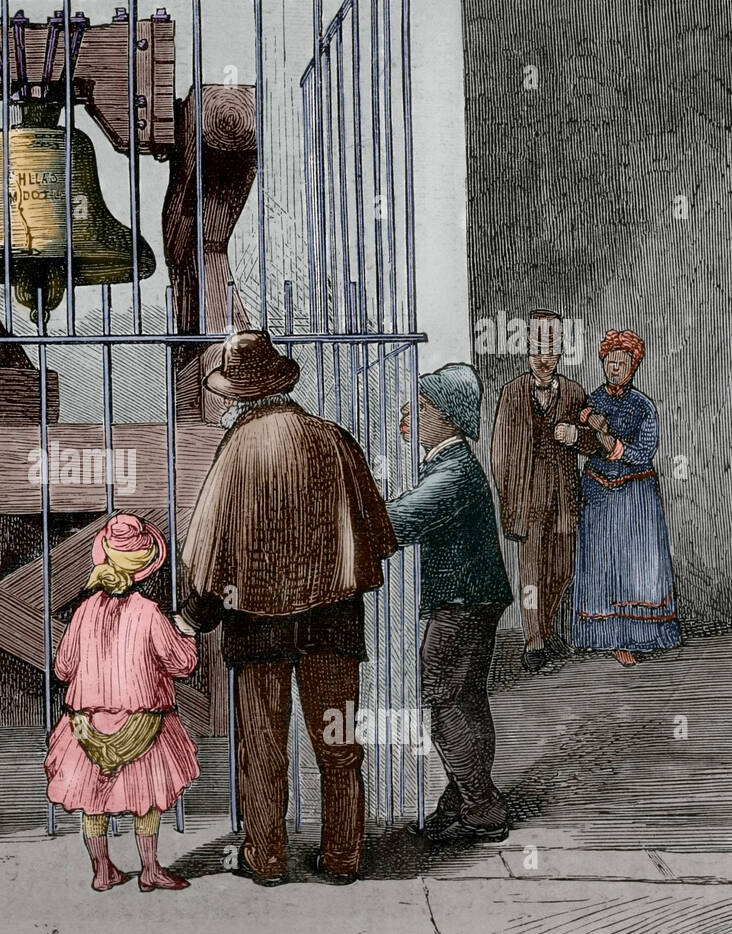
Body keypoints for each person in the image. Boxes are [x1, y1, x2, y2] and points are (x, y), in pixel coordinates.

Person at [177, 330, 397, 886]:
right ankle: (344, 857)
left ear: (236, 396)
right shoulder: (334, 439)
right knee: (339, 743)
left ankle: (267, 858)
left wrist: (193, 617)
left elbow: (211, 553)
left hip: (257, 628)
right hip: (333, 622)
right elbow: (376, 535)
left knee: (263, 746)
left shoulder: (236, 452)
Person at [387, 363, 513, 841]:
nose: (406, 413)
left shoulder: (454, 470)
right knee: (466, 698)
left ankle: (481, 805)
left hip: (462, 603)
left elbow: (400, 521)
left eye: (420, 407)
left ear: (449, 418)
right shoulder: (448, 465)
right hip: (474, 599)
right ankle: (464, 799)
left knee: (441, 698)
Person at [46, 513, 200, 892]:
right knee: (146, 797)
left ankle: (102, 871)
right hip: (143, 722)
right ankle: (150, 869)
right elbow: (181, 663)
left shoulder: (82, 612)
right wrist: (187, 632)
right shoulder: (148, 612)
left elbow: (63, 669)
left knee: (92, 801)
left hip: (85, 724)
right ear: (143, 567)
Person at [554, 330, 680, 666]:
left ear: (633, 367)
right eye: (610, 363)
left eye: (621, 364)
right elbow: (586, 440)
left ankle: (637, 636)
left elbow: (643, 453)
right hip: (598, 490)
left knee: (635, 564)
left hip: (634, 494)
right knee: (600, 563)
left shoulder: (643, 406)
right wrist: (579, 432)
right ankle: (604, 636)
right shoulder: (593, 399)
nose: (614, 369)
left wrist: (611, 442)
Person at [491, 310, 587, 672]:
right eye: (536, 351)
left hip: (564, 496)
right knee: (531, 572)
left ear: (561, 352)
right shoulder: (513, 393)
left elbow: (593, 442)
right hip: (529, 498)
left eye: (550, 350)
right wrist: (510, 497)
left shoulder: (575, 393)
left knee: (562, 569)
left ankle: (546, 629)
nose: (543, 359)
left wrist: (577, 436)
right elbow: (499, 451)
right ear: (527, 351)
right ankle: (534, 642)